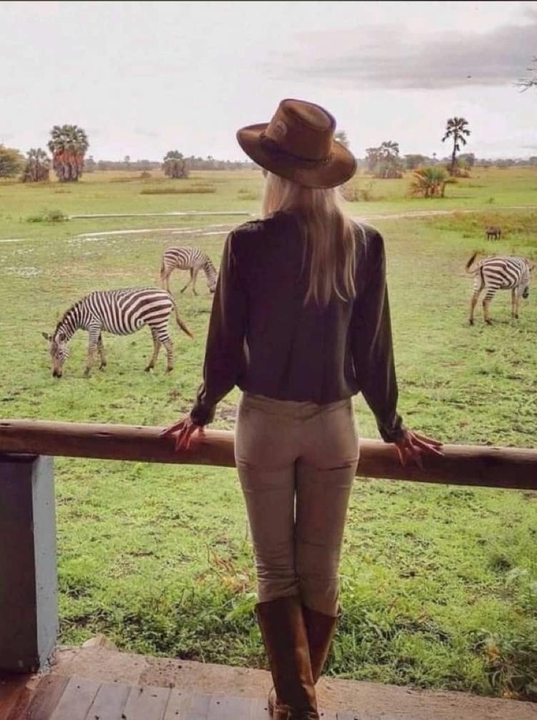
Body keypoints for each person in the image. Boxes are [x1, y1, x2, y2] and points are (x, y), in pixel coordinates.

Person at [160, 98, 444, 720]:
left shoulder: (249, 243)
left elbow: (225, 347)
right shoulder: (363, 243)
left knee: (275, 571)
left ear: (274, 174)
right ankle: (299, 702)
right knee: (321, 571)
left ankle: (295, 703)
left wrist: (201, 410)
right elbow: (375, 348)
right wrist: (393, 425)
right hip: (335, 426)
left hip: (262, 423)